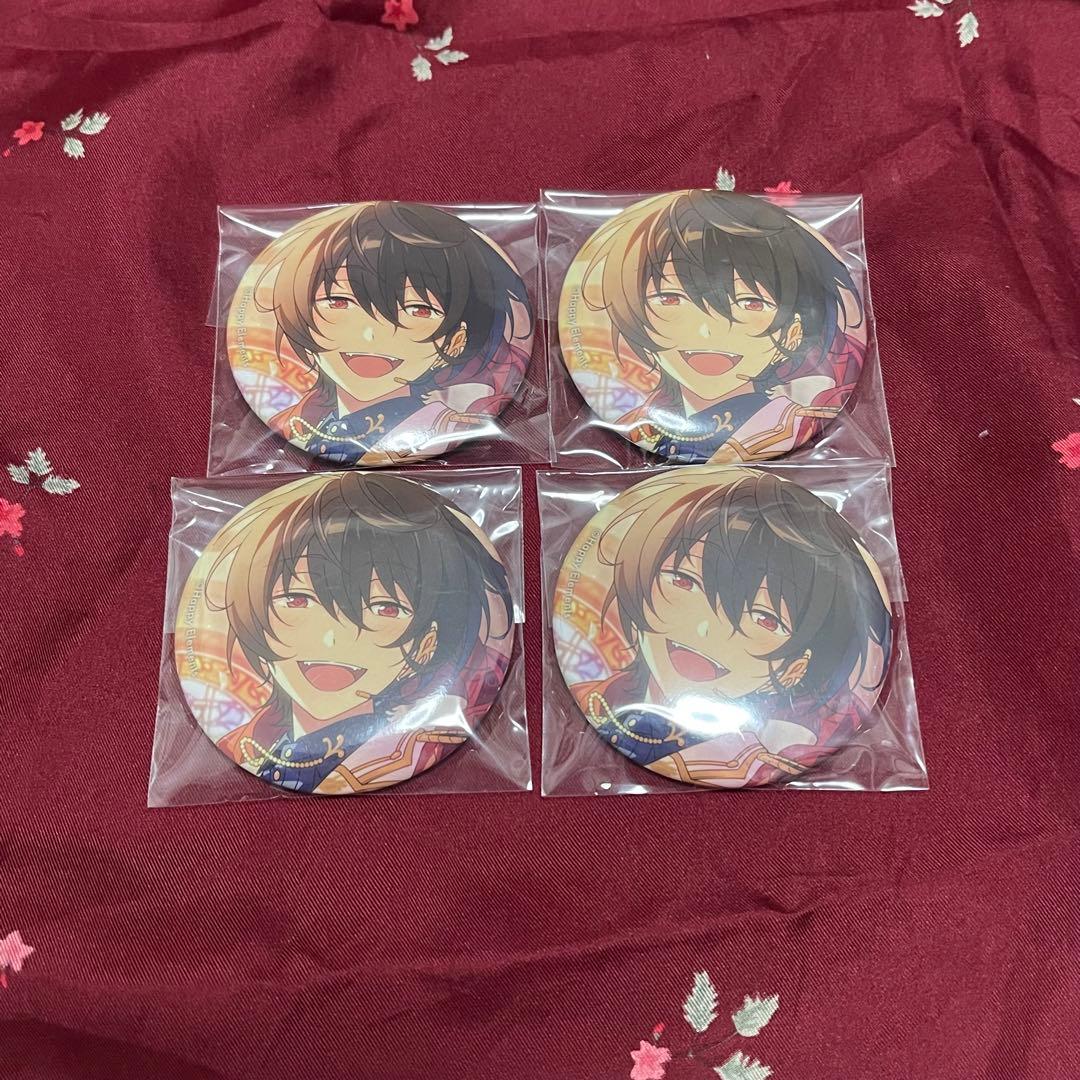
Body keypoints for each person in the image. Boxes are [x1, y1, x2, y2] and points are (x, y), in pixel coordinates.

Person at [576, 470, 891, 783]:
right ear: (640, 577)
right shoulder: (599, 698)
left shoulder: (782, 748)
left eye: (764, 618)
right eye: (683, 581)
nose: (703, 629)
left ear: (795, 667)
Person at [208, 473, 512, 793]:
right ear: (253, 612)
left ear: (427, 644)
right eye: (297, 600)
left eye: (385, 608)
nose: (330, 639)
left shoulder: (416, 746)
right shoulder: (248, 741)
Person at [580, 190, 864, 462]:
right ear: (634, 316)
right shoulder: (637, 421)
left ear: (794, 333)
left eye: (751, 303)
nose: (707, 331)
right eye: (670, 298)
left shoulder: (793, 425)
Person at [258, 202, 533, 463]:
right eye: (339, 302)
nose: (369, 335)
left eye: (418, 309)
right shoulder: (298, 422)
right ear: (299, 316)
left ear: (456, 341)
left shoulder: (448, 428)